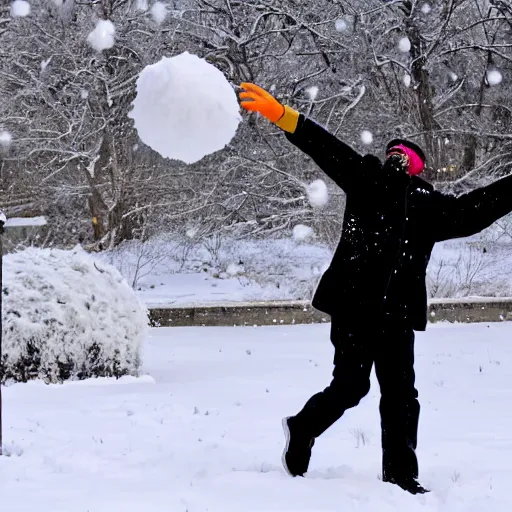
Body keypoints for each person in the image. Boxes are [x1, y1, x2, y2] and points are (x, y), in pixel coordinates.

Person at [238, 82, 512, 495]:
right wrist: (283, 115)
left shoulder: (432, 208)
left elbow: (477, 210)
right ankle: (302, 427)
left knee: (401, 396)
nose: (399, 157)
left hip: (397, 316)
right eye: (394, 153)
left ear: (418, 168)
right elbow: (325, 148)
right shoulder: (366, 178)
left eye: (408, 155)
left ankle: (402, 477)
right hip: (353, 307)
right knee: (351, 387)